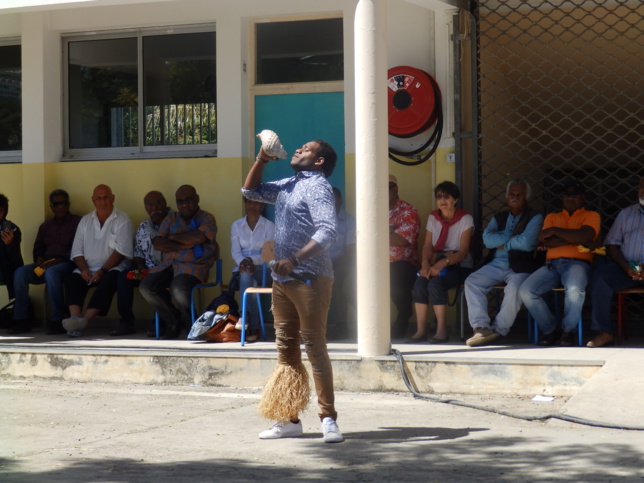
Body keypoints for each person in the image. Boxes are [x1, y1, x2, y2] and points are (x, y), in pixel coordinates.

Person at [242, 139, 343, 443]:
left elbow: (327, 231)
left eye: (306, 149)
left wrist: (295, 259)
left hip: (310, 277)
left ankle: (328, 419)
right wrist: (261, 158)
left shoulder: (318, 187)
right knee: (286, 351)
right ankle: (288, 418)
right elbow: (250, 192)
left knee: (314, 347)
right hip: (282, 281)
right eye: (298, 148)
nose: (297, 150)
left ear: (320, 161)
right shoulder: (288, 184)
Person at [519, 179, 600, 346]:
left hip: (578, 264)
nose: (570, 197)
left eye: (574, 194)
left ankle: (568, 331)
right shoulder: (552, 216)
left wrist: (555, 231)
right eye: (566, 194)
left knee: (575, 290)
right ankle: (551, 329)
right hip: (552, 265)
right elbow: (546, 241)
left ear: (582, 197)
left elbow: (585, 235)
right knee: (526, 290)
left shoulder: (591, 215)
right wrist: (575, 239)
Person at [464, 179, 543, 347]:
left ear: (526, 197)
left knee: (515, 288)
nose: (515, 197)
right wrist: (513, 239)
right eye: (512, 194)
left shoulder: (535, 217)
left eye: (519, 195)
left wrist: (501, 240)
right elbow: (487, 239)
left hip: (520, 267)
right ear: (507, 197)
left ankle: (499, 330)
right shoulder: (499, 216)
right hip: (495, 264)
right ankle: (481, 328)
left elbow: (528, 242)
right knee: (472, 281)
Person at [139, 185, 218, 340]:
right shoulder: (171, 218)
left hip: (193, 267)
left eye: (188, 200)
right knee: (146, 287)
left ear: (197, 199)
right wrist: (185, 242)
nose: (184, 204)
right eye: (180, 201)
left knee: (178, 288)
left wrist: (173, 237)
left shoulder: (207, 218)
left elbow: (199, 238)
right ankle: (174, 321)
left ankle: (192, 325)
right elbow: (158, 243)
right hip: (169, 265)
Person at [62, 185, 134, 337]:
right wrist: (83, 270)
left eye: (106, 197)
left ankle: (84, 322)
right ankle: (74, 319)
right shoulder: (85, 221)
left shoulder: (122, 220)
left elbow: (121, 252)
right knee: (72, 280)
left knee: (110, 281)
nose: (102, 201)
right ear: (93, 200)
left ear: (113, 198)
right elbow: (77, 251)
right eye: (98, 198)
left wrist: (102, 271)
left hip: (113, 268)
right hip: (88, 268)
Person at [408, 181, 474, 343]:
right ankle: (421, 330)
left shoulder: (466, 219)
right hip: (435, 263)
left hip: (459, 266)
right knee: (420, 284)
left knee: (435, 284)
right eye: (439, 197)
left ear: (455, 199)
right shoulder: (433, 217)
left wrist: (442, 262)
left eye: (446, 197)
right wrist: (424, 264)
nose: (442, 201)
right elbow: (427, 245)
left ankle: (442, 330)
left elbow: (462, 252)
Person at [10, 189, 81, 335]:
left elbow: (80, 249)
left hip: (67, 264)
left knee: (52, 272)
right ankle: (21, 319)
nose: (61, 206)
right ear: (51, 206)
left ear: (69, 204)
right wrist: (39, 258)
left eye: (64, 203)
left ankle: (58, 319)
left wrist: (59, 260)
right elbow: (38, 248)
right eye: (57, 204)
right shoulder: (46, 226)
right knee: (20, 273)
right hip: (45, 265)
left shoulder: (78, 223)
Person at [586, 176, 644, 348]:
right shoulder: (626, 214)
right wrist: (627, 268)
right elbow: (611, 243)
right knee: (600, 278)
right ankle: (604, 332)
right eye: (642, 186)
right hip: (628, 266)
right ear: (637, 190)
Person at [114, 190, 171, 337]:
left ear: (165, 203)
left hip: (168, 270)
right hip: (147, 270)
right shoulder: (144, 226)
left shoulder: (175, 222)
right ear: (145, 208)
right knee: (123, 277)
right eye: (150, 205)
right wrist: (140, 267)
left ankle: (161, 324)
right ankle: (126, 322)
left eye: (158, 203)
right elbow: (138, 252)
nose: (154, 207)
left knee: (156, 282)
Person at [228, 197, 275, 342]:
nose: (252, 205)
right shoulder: (236, 226)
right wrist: (244, 262)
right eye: (249, 202)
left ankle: (245, 317)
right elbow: (235, 251)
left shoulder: (269, 226)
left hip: (264, 270)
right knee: (248, 279)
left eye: (256, 202)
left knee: (247, 274)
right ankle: (253, 327)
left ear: (262, 206)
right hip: (242, 269)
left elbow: (268, 254)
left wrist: (250, 260)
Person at [388, 174, 420, 339]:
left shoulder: (408, 211)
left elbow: (403, 240)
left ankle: (403, 317)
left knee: (395, 277)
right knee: (350, 281)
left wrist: (376, 231)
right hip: (375, 262)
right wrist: (390, 231)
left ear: (395, 189)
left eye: (385, 188)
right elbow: (361, 237)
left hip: (404, 262)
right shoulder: (371, 210)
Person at [326, 187, 356, 340]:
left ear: (340, 201)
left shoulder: (350, 221)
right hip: (321, 264)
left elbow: (350, 252)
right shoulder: (320, 220)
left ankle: (342, 325)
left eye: (333, 199)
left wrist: (331, 265)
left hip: (342, 264)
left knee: (338, 282)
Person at [0, 194, 23, 303]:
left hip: (6, 269)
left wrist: (9, 245)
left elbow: (16, 260)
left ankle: (19, 316)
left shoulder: (12, 229)